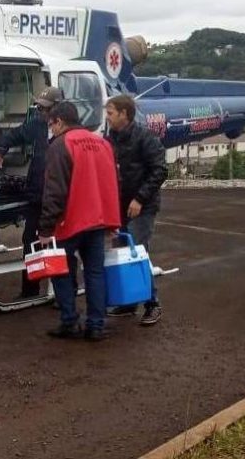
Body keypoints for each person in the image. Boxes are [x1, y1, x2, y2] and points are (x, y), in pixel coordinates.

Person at [38, 102, 121, 341]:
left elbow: (54, 191)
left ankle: (69, 321)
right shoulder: (102, 143)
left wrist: (45, 228)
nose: (51, 130)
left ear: (59, 122)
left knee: (61, 272)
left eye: (51, 125)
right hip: (98, 220)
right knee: (95, 273)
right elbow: (113, 183)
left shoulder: (60, 145)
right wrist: (112, 221)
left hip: (70, 222)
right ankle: (96, 325)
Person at [0, 86, 68, 299]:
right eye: (40, 108)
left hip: (60, 198)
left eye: (45, 109)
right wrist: (0, 150)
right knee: (30, 241)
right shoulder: (36, 125)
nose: (41, 112)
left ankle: (63, 293)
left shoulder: (70, 132)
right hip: (37, 194)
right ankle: (30, 290)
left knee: (62, 243)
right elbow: (14, 135)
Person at [104, 94, 168, 325]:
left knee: (137, 252)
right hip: (119, 207)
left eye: (110, 113)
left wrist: (139, 199)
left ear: (124, 114)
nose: (107, 117)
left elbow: (160, 170)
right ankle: (129, 301)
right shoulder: (109, 140)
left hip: (142, 207)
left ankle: (153, 304)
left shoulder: (145, 137)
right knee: (122, 253)